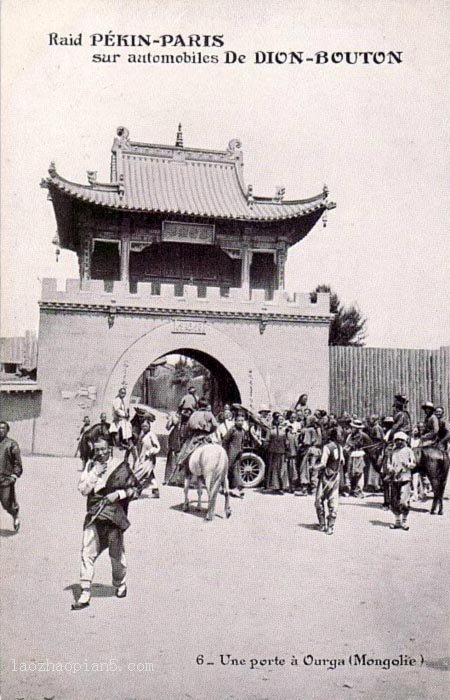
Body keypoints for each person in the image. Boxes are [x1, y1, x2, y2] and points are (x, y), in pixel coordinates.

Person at [72, 437, 140, 610]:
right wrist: (94, 472)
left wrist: (119, 495)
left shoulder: (121, 465)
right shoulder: (90, 466)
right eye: (97, 450)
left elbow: (136, 489)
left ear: (109, 448)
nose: (100, 453)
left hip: (113, 515)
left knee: (116, 554)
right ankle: (85, 591)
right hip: (95, 513)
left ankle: (120, 583)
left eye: (103, 449)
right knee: (87, 551)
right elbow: (83, 490)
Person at [314, 427, 344, 535]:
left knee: (319, 500)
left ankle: (322, 524)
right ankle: (331, 526)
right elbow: (342, 461)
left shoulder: (327, 447)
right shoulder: (340, 448)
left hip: (326, 476)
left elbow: (323, 463)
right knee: (333, 501)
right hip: (335, 476)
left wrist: (314, 468)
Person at [176, 398, 218, 468]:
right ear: (206, 405)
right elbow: (215, 425)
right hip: (206, 435)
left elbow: (188, 426)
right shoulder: (209, 414)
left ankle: (180, 464)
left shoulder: (194, 414)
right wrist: (210, 431)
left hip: (195, 436)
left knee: (185, 452)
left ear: (198, 405)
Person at [385, 431, 415, 530]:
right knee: (394, 500)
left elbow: (413, 463)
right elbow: (389, 463)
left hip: (405, 478)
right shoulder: (393, 451)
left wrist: (407, 465)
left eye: (401, 440)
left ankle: (404, 521)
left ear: (405, 441)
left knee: (404, 501)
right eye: (397, 440)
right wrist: (390, 468)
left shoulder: (408, 451)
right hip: (395, 478)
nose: (399, 442)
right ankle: (397, 521)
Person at [0, 421, 22, 532]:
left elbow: (17, 462)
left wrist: (14, 474)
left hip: (6, 480)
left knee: (6, 503)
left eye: (3, 428)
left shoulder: (12, 444)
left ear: (7, 430)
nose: (1, 430)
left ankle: (14, 514)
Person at [133, 417, 161, 497]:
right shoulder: (142, 435)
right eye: (143, 426)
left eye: (146, 426)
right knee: (149, 475)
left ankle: (137, 492)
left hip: (149, 459)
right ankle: (156, 492)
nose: (144, 428)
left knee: (141, 474)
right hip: (142, 458)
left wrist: (150, 452)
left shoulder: (151, 435)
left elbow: (158, 447)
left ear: (149, 426)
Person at [344, 420, 372, 497]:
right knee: (350, 473)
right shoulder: (350, 436)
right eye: (352, 427)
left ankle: (358, 490)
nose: (352, 429)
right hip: (351, 455)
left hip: (359, 454)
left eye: (354, 428)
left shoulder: (362, 436)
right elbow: (347, 445)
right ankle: (352, 489)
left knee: (358, 472)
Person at [222, 412, 246, 498]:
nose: (240, 422)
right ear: (235, 421)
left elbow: (242, 442)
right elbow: (225, 441)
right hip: (230, 452)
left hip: (238, 452)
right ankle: (225, 487)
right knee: (228, 469)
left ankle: (237, 487)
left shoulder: (243, 431)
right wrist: (225, 452)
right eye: (239, 420)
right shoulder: (232, 430)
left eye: (242, 421)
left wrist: (241, 450)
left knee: (236, 469)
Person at [264, 412, 287, 494]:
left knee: (281, 470)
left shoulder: (284, 430)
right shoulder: (271, 430)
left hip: (281, 452)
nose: (278, 421)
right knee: (274, 469)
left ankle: (282, 486)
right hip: (273, 452)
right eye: (276, 419)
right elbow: (267, 441)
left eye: (279, 420)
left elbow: (286, 442)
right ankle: (275, 486)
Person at [164, 410, 182, 484]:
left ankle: (170, 479)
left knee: (172, 457)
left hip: (176, 436)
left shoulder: (174, 415)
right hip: (182, 436)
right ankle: (178, 479)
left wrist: (170, 419)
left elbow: (167, 427)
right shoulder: (193, 414)